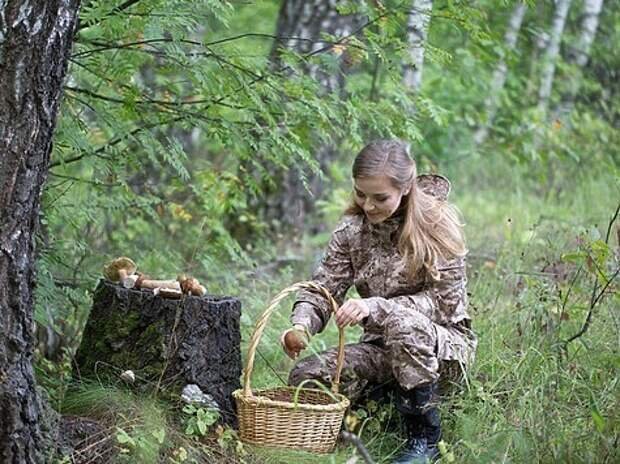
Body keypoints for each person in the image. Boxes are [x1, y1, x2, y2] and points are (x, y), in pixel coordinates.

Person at [279, 139, 477, 463]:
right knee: (308, 376)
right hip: (382, 348)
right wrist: (301, 324)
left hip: (440, 349)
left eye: (380, 197)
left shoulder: (438, 226)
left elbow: (444, 304)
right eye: (361, 194)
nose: (368, 205)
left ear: (406, 188)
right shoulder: (351, 232)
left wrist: (375, 307)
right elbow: (323, 289)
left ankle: (424, 439)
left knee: (404, 326)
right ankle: (379, 408)